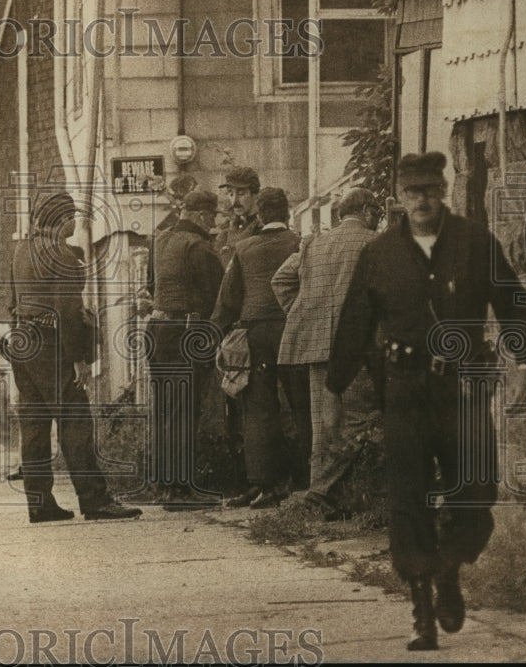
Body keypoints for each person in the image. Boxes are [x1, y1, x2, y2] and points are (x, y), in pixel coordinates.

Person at [327, 152, 526, 651]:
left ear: (442, 189)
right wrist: (335, 390)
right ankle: (422, 605)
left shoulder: (474, 242)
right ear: (398, 198)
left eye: (429, 189)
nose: (421, 199)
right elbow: (355, 323)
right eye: (411, 191)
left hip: (464, 386)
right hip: (404, 390)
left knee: (477, 488)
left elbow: (514, 302)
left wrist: (525, 364)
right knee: (409, 497)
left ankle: (450, 566)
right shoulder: (379, 254)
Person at [7, 191, 142, 523]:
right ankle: (95, 500)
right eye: (72, 216)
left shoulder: (21, 251)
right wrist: (78, 358)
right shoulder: (62, 255)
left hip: (22, 341)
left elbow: (12, 301)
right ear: (59, 220)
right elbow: (67, 311)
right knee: (75, 421)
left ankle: (39, 504)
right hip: (51, 344)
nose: (76, 223)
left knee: (35, 426)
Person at [272, 187, 382, 521]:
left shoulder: (313, 243)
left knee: (325, 423)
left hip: (315, 344)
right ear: (364, 210)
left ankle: (321, 498)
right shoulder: (374, 244)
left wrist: (306, 315)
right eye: (376, 211)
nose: (378, 218)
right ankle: (320, 494)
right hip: (356, 347)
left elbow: (281, 281)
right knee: (357, 418)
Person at [212, 187, 302, 509]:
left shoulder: (244, 248)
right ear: (288, 212)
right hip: (292, 330)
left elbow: (228, 299)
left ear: (260, 216)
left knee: (259, 410)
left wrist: (217, 333)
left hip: (255, 334)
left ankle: (263, 485)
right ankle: (304, 482)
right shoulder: (299, 243)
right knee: (301, 404)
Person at [146, 190, 225, 510]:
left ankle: (166, 485)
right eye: (212, 217)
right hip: (185, 332)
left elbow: (152, 288)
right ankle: (181, 491)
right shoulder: (200, 247)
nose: (213, 223)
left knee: (166, 410)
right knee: (184, 410)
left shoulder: (160, 241)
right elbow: (216, 298)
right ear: (203, 216)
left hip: (157, 331)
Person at [213, 166, 261, 267]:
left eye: (241, 194)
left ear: (255, 195)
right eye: (231, 194)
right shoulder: (228, 229)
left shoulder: (262, 228)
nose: (235, 201)